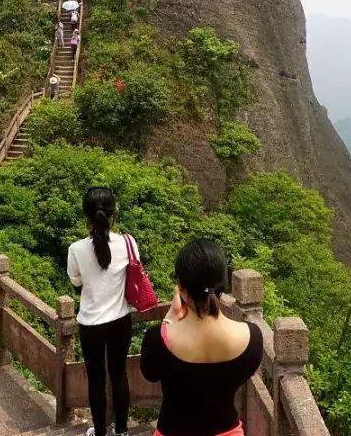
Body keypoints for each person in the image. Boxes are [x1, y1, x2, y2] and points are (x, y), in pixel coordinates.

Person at [140, 239, 261, 436]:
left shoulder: (158, 339)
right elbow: (246, 372)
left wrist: (168, 320)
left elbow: (150, 374)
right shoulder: (252, 337)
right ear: (223, 283)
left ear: (180, 286)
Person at [67, 187, 139, 436]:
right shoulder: (128, 243)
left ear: (86, 216)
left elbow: (76, 281)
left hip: (91, 324)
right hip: (121, 320)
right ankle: (121, 431)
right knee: (119, 373)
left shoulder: (76, 249)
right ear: (113, 213)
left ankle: (99, 432)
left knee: (96, 378)